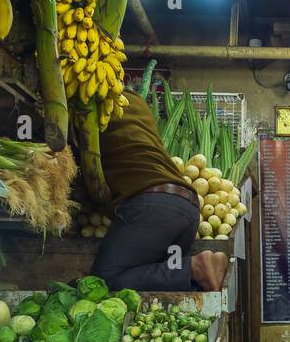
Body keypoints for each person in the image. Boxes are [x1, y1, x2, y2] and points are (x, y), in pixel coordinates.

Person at [91, 90, 229, 292]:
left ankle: (194, 267)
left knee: (103, 282)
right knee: (155, 281)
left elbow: (84, 172)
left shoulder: (87, 107)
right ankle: (193, 270)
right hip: (187, 206)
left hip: (152, 207)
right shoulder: (135, 100)